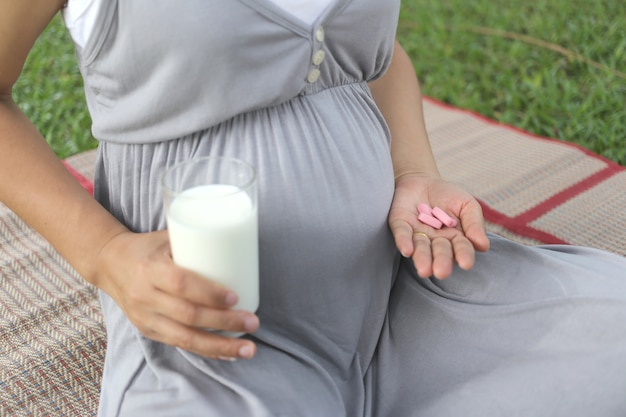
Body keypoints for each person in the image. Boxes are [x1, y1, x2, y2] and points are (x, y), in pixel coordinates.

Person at [1, 1, 625, 416]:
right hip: (216, 337)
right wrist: (104, 253)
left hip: (404, 287)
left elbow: (369, 57)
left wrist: (414, 173)